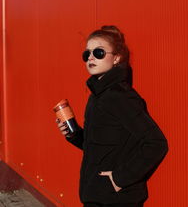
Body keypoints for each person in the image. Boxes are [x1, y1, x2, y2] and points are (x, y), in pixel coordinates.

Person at [57, 25, 168, 207]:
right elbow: (100, 147)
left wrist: (119, 179)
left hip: (116, 200)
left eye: (99, 52)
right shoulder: (97, 96)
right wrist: (74, 134)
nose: (90, 57)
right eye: (87, 54)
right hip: (96, 195)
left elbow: (156, 143)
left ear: (116, 58)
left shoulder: (121, 97)